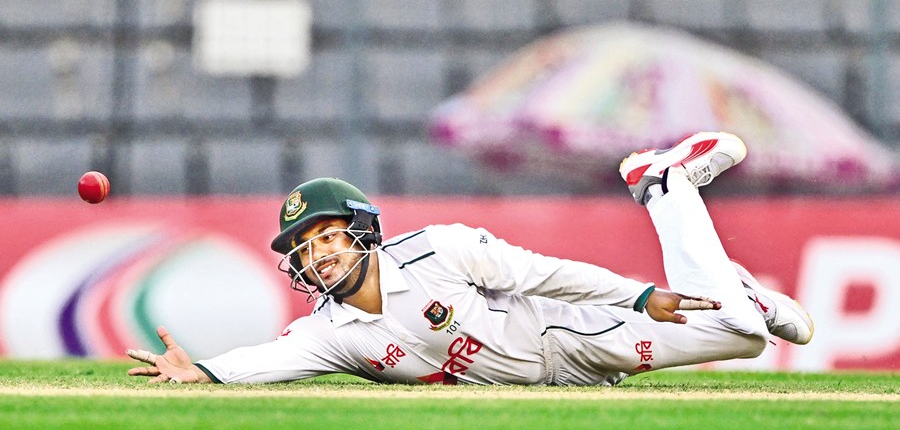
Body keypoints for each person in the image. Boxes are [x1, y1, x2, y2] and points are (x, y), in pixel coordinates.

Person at [126, 131, 814, 386]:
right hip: (560, 383)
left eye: (329, 236)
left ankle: (662, 184)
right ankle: (742, 291)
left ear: (362, 232)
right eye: (306, 249)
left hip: (565, 334)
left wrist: (636, 297)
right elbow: (270, 360)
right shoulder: (331, 332)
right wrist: (204, 373)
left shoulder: (438, 249)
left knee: (743, 337)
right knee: (753, 327)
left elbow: (547, 275)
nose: (320, 256)